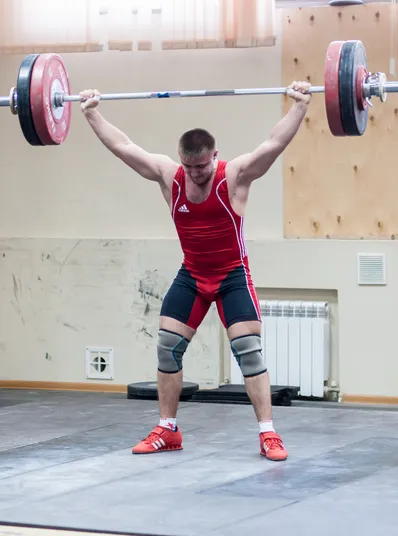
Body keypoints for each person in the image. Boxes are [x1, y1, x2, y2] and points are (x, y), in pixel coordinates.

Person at [80, 80, 312, 461]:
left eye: (201, 166)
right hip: (193, 275)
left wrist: (299, 106)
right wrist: (92, 113)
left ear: (214, 156)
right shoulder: (171, 177)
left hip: (232, 275)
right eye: (189, 166)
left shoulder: (232, 176)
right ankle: (168, 429)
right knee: (167, 347)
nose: (195, 173)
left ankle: (268, 433)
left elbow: (273, 145)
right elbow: (125, 147)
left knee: (248, 351)